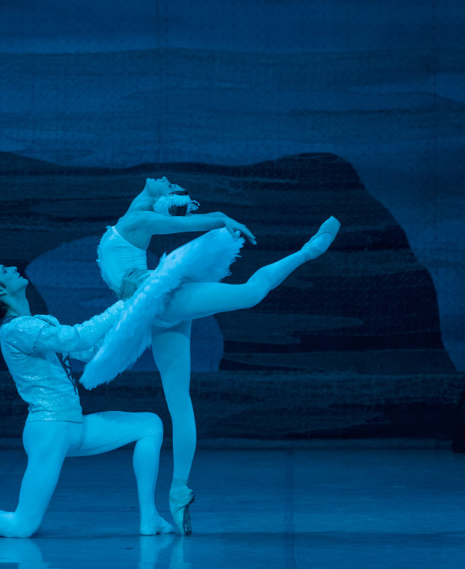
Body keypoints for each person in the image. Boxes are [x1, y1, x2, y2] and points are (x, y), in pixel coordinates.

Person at [84, 176, 340, 535]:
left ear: (163, 199)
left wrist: (220, 216)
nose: (166, 180)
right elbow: (180, 220)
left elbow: (184, 223)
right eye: (171, 184)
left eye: (170, 185)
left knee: (247, 298)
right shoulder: (135, 214)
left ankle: (308, 251)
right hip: (151, 302)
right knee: (181, 396)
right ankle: (178, 489)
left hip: (156, 299)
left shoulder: (136, 221)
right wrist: (217, 214)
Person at [0, 260, 174, 538]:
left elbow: (89, 349)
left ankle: (149, 518)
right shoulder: (15, 329)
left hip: (73, 427)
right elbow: (76, 338)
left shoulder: (41, 324)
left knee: (150, 425)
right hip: (50, 430)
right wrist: (124, 303)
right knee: (22, 526)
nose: (12, 268)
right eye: (4, 271)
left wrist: (135, 313)